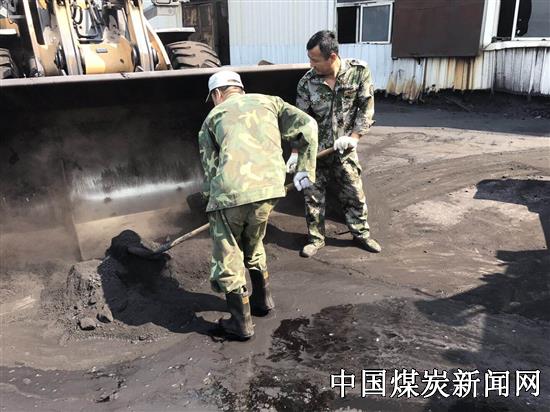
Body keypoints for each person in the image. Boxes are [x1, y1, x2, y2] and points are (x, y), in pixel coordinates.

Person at [198, 70, 318, 340]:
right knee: (253, 240)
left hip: (231, 191)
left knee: (228, 253)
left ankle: (240, 324)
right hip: (270, 188)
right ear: (239, 88)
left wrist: (212, 204)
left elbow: (210, 169)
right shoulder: (270, 102)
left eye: (213, 98)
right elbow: (308, 125)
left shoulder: (212, 118)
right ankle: (263, 301)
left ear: (217, 94)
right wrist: (304, 170)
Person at [287, 30, 382, 258]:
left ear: (332, 57)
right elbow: (300, 122)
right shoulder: (307, 82)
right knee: (312, 197)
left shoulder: (358, 72)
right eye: (309, 59)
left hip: (344, 149)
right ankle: (316, 239)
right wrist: (295, 153)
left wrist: (354, 138)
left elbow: (366, 107)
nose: (311, 64)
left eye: (315, 60)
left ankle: (361, 235)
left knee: (354, 194)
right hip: (315, 153)